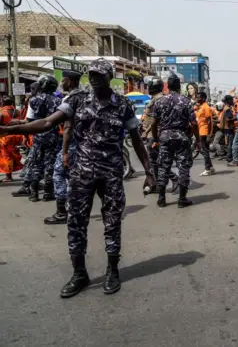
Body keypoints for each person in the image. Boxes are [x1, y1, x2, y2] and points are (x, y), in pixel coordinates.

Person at [0, 58, 155, 297]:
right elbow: (46, 123)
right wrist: (11, 129)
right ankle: (79, 273)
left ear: (109, 76)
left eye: (99, 74)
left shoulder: (122, 105)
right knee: (76, 222)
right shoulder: (76, 100)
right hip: (81, 173)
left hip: (111, 174)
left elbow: (135, 138)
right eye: (91, 74)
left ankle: (113, 270)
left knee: (112, 221)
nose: (93, 78)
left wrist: (148, 171)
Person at [11, 75, 62, 202]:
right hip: (53, 136)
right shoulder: (58, 101)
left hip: (37, 135)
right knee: (50, 164)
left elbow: (29, 120)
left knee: (35, 163)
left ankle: (33, 194)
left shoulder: (33, 100)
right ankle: (48, 193)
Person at [152, 72, 198, 208]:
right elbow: (194, 124)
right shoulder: (186, 101)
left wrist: (156, 139)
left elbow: (154, 123)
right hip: (182, 138)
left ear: (168, 87)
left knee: (163, 168)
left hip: (165, 138)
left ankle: (161, 199)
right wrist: (198, 141)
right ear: (179, 86)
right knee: (183, 167)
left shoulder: (160, 101)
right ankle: (182, 199)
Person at [45, 70, 83, 225]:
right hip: (85, 146)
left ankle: (62, 212)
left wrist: (65, 152)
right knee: (74, 177)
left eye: (64, 81)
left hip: (72, 144)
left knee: (59, 174)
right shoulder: (87, 96)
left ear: (70, 82)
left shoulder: (70, 99)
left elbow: (67, 128)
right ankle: (77, 208)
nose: (62, 83)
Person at [141, 77, 179, 194]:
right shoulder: (157, 98)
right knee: (155, 161)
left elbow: (154, 120)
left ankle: (173, 178)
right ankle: (156, 184)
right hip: (154, 133)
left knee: (157, 161)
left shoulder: (158, 100)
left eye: (149, 86)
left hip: (154, 134)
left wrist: (146, 132)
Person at [0, 97, 23, 183]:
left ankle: (8, 176)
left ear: (3, 103)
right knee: (13, 155)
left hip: (5, 138)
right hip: (16, 136)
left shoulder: (2, 112)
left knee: (6, 156)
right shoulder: (17, 112)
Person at [195, 92, 216, 176]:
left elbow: (209, 121)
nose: (197, 99)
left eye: (198, 97)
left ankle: (207, 169)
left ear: (203, 98)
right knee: (204, 150)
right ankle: (210, 167)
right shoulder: (201, 107)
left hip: (204, 132)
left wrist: (209, 134)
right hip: (201, 131)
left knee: (205, 151)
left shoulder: (206, 107)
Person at [220, 95, 236, 162]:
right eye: (231, 100)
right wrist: (236, 118)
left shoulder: (226, 108)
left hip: (227, 128)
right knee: (230, 144)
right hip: (228, 128)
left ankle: (229, 156)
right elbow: (228, 119)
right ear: (228, 101)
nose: (233, 101)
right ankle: (229, 157)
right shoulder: (227, 109)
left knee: (229, 143)